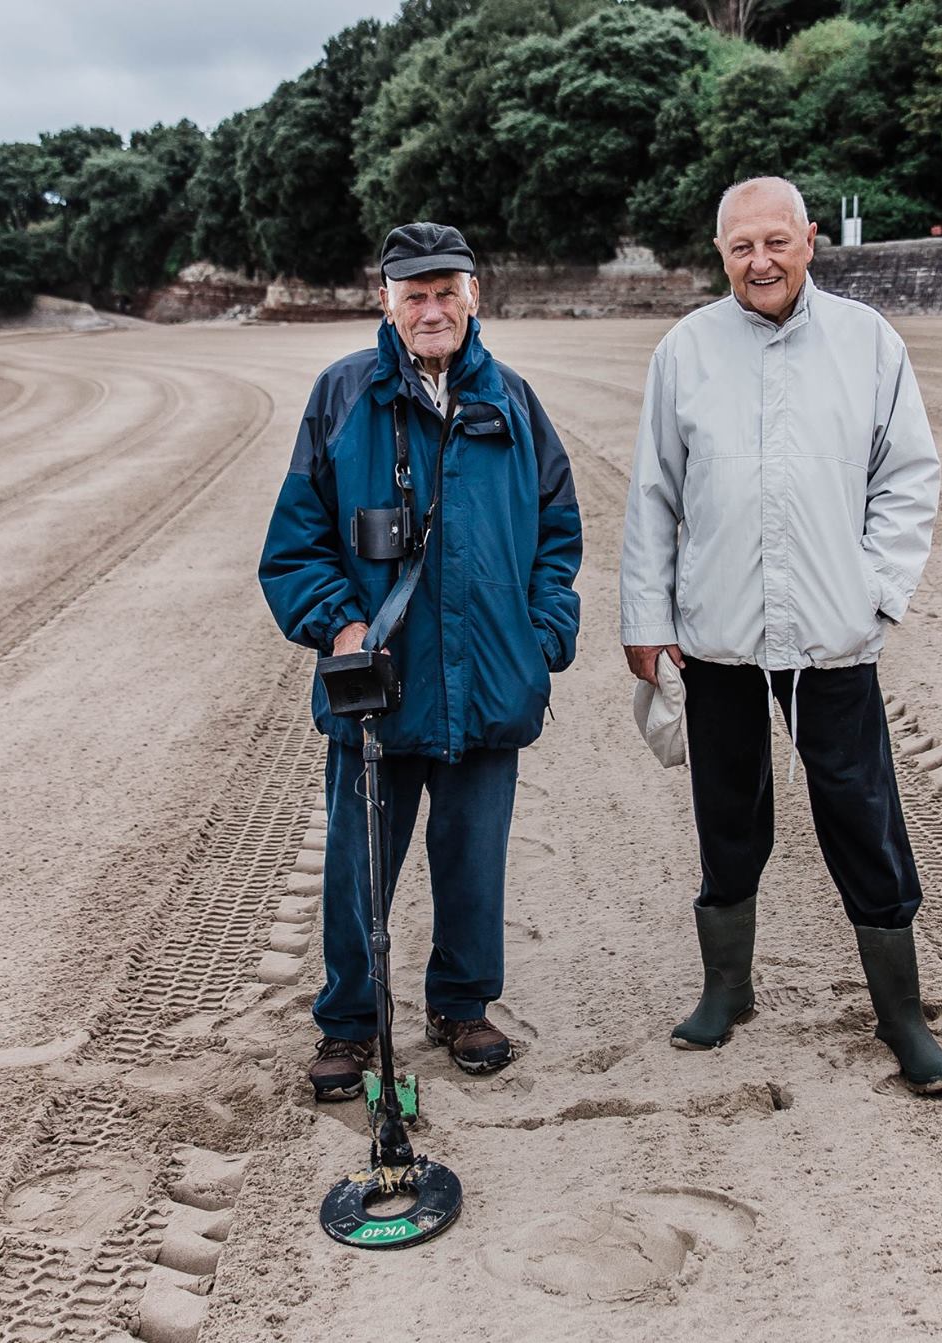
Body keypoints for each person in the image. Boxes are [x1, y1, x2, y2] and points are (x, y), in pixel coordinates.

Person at [618, 177, 942, 1095]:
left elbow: (908, 477)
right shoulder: (685, 351)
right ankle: (726, 989)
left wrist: (874, 595)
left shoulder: (868, 341)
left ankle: (901, 1014)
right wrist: (647, 622)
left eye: (776, 241)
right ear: (720, 252)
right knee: (728, 814)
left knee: (862, 815)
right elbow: (652, 496)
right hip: (718, 633)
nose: (760, 261)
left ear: (809, 240)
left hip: (832, 637)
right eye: (741, 248)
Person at [259, 223, 582, 1101]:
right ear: (386, 299)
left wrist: (542, 632)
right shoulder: (342, 396)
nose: (431, 309)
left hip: (490, 678)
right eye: (415, 294)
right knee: (359, 863)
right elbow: (295, 545)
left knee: (475, 856)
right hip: (382, 686)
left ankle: (463, 1004)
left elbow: (559, 528)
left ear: (475, 295)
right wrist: (340, 626)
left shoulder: (512, 400)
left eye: (447, 292)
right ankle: (350, 1022)